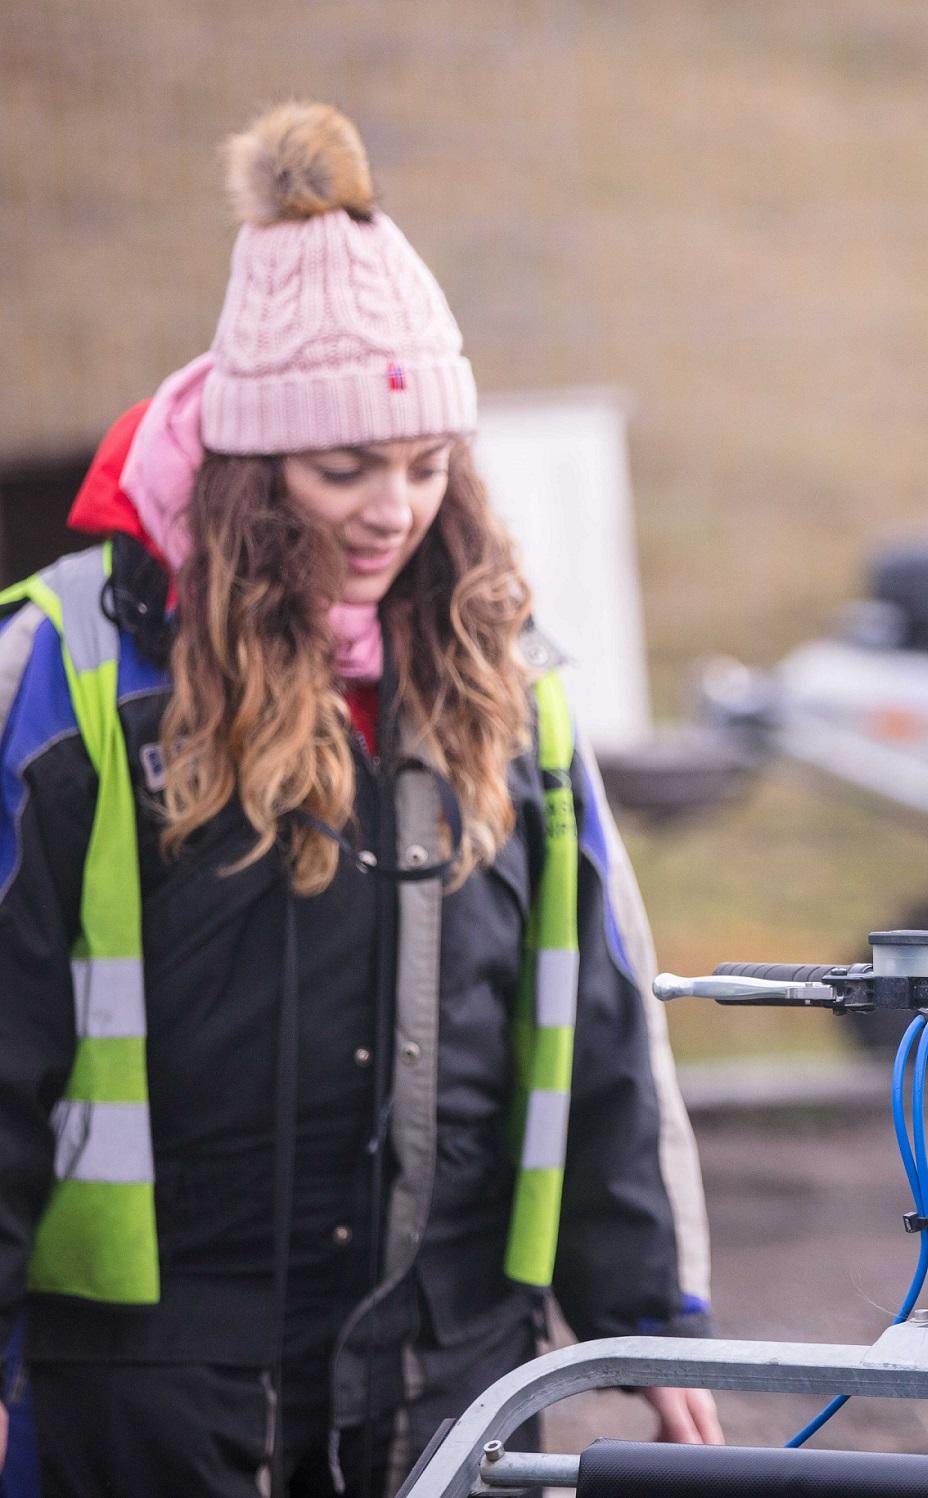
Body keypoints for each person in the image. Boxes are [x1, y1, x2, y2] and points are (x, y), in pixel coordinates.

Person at [0, 103, 718, 1496]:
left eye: (426, 465)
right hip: (151, 1390)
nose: (394, 508)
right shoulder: (64, 670)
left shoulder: (506, 676)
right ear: (249, 473)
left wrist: (646, 1308)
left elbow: (596, 1010)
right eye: (345, 471)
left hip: (451, 1376)